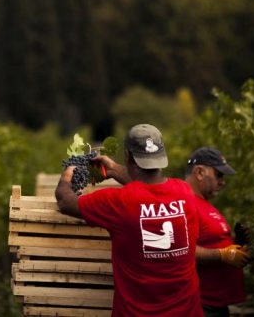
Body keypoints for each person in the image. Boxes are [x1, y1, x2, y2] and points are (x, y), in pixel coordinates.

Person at [56, 124, 203, 316]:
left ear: (128, 156)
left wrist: (67, 176)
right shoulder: (186, 192)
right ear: (161, 157)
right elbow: (150, 189)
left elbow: (66, 201)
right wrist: (115, 169)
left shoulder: (117, 202)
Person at [185, 147, 251, 317]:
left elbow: (211, 244)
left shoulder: (206, 205)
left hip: (216, 305)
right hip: (200, 306)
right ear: (199, 172)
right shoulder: (185, 204)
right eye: (219, 175)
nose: (222, 182)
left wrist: (237, 243)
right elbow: (181, 251)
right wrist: (223, 254)